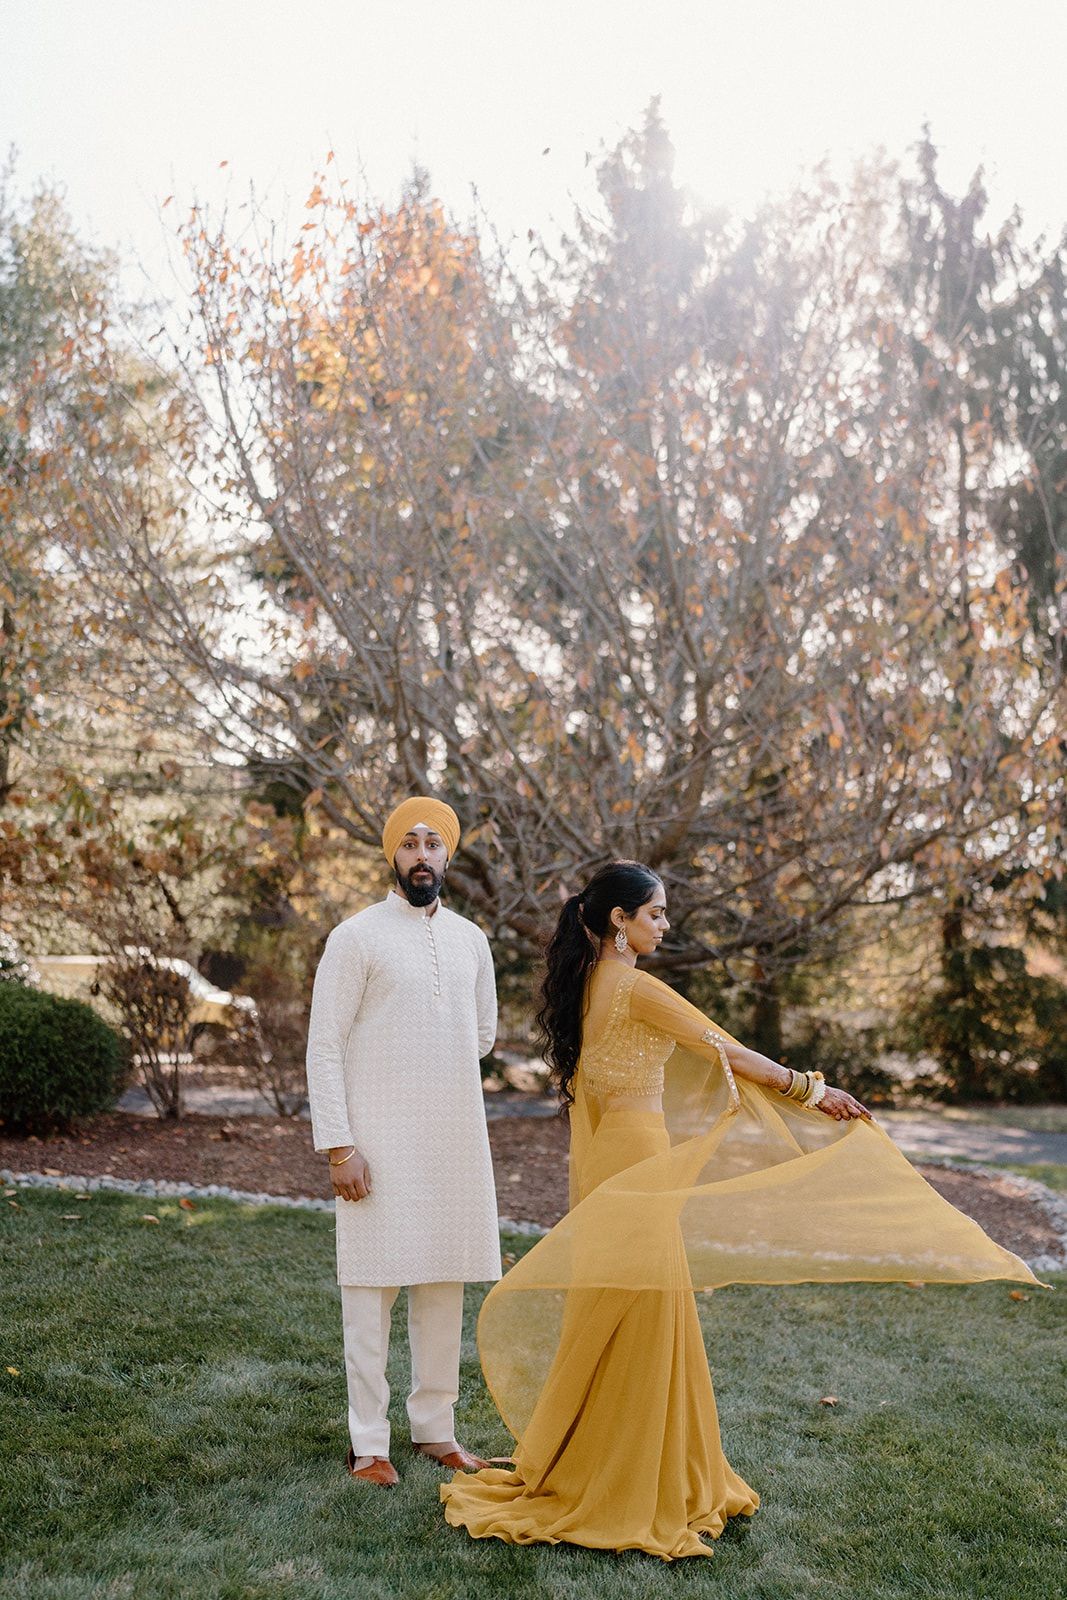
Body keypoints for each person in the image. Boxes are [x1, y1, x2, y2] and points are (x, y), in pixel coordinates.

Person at [441, 860, 1040, 1560]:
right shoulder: (636, 987)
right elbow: (728, 1052)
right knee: (642, 1308)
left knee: (618, 1302)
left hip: (607, 1156)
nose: (666, 925)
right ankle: (629, 1480)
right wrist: (812, 1091)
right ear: (618, 920)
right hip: (636, 1155)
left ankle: (597, 1460)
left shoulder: (587, 983)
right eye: (656, 913)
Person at [306, 796, 501, 1488]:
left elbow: (483, 1035)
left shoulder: (471, 940)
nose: (422, 855)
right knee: (370, 1295)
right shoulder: (355, 937)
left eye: (433, 844)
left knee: (443, 1288)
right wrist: (339, 1145)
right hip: (374, 1146)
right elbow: (324, 1046)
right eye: (410, 844)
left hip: (451, 1142)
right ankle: (368, 1444)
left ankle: (435, 1431)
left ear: (448, 855)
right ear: (393, 855)